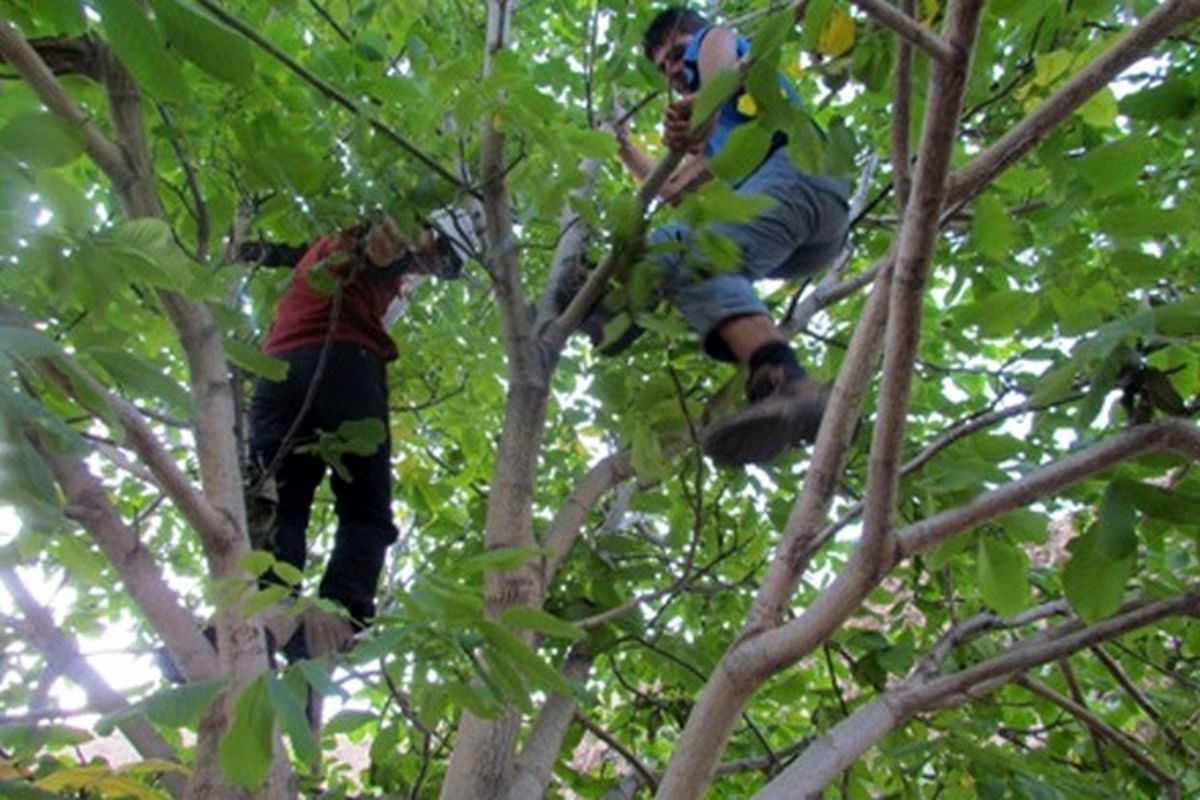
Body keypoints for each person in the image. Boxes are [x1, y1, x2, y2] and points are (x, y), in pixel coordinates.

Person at [611, 6, 851, 467]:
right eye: (664, 69)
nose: (675, 72)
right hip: (810, 229)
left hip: (799, 169)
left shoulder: (716, 42)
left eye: (677, 55)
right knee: (673, 247)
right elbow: (675, 189)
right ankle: (778, 380)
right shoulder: (725, 134)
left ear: (691, 37)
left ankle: (793, 384)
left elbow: (718, 63)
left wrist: (701, 111)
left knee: (691, 253)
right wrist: (624, 146)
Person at [245, 215, 467, 660]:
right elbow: (389, 241)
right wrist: (427, 250)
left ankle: (265, 608)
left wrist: (250, 250)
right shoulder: (366, 237)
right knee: (365, 506)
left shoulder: (317, 250)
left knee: (278, 496)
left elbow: (283, 252)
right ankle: (341, 611)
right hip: (342, 358)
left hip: (276, 371)